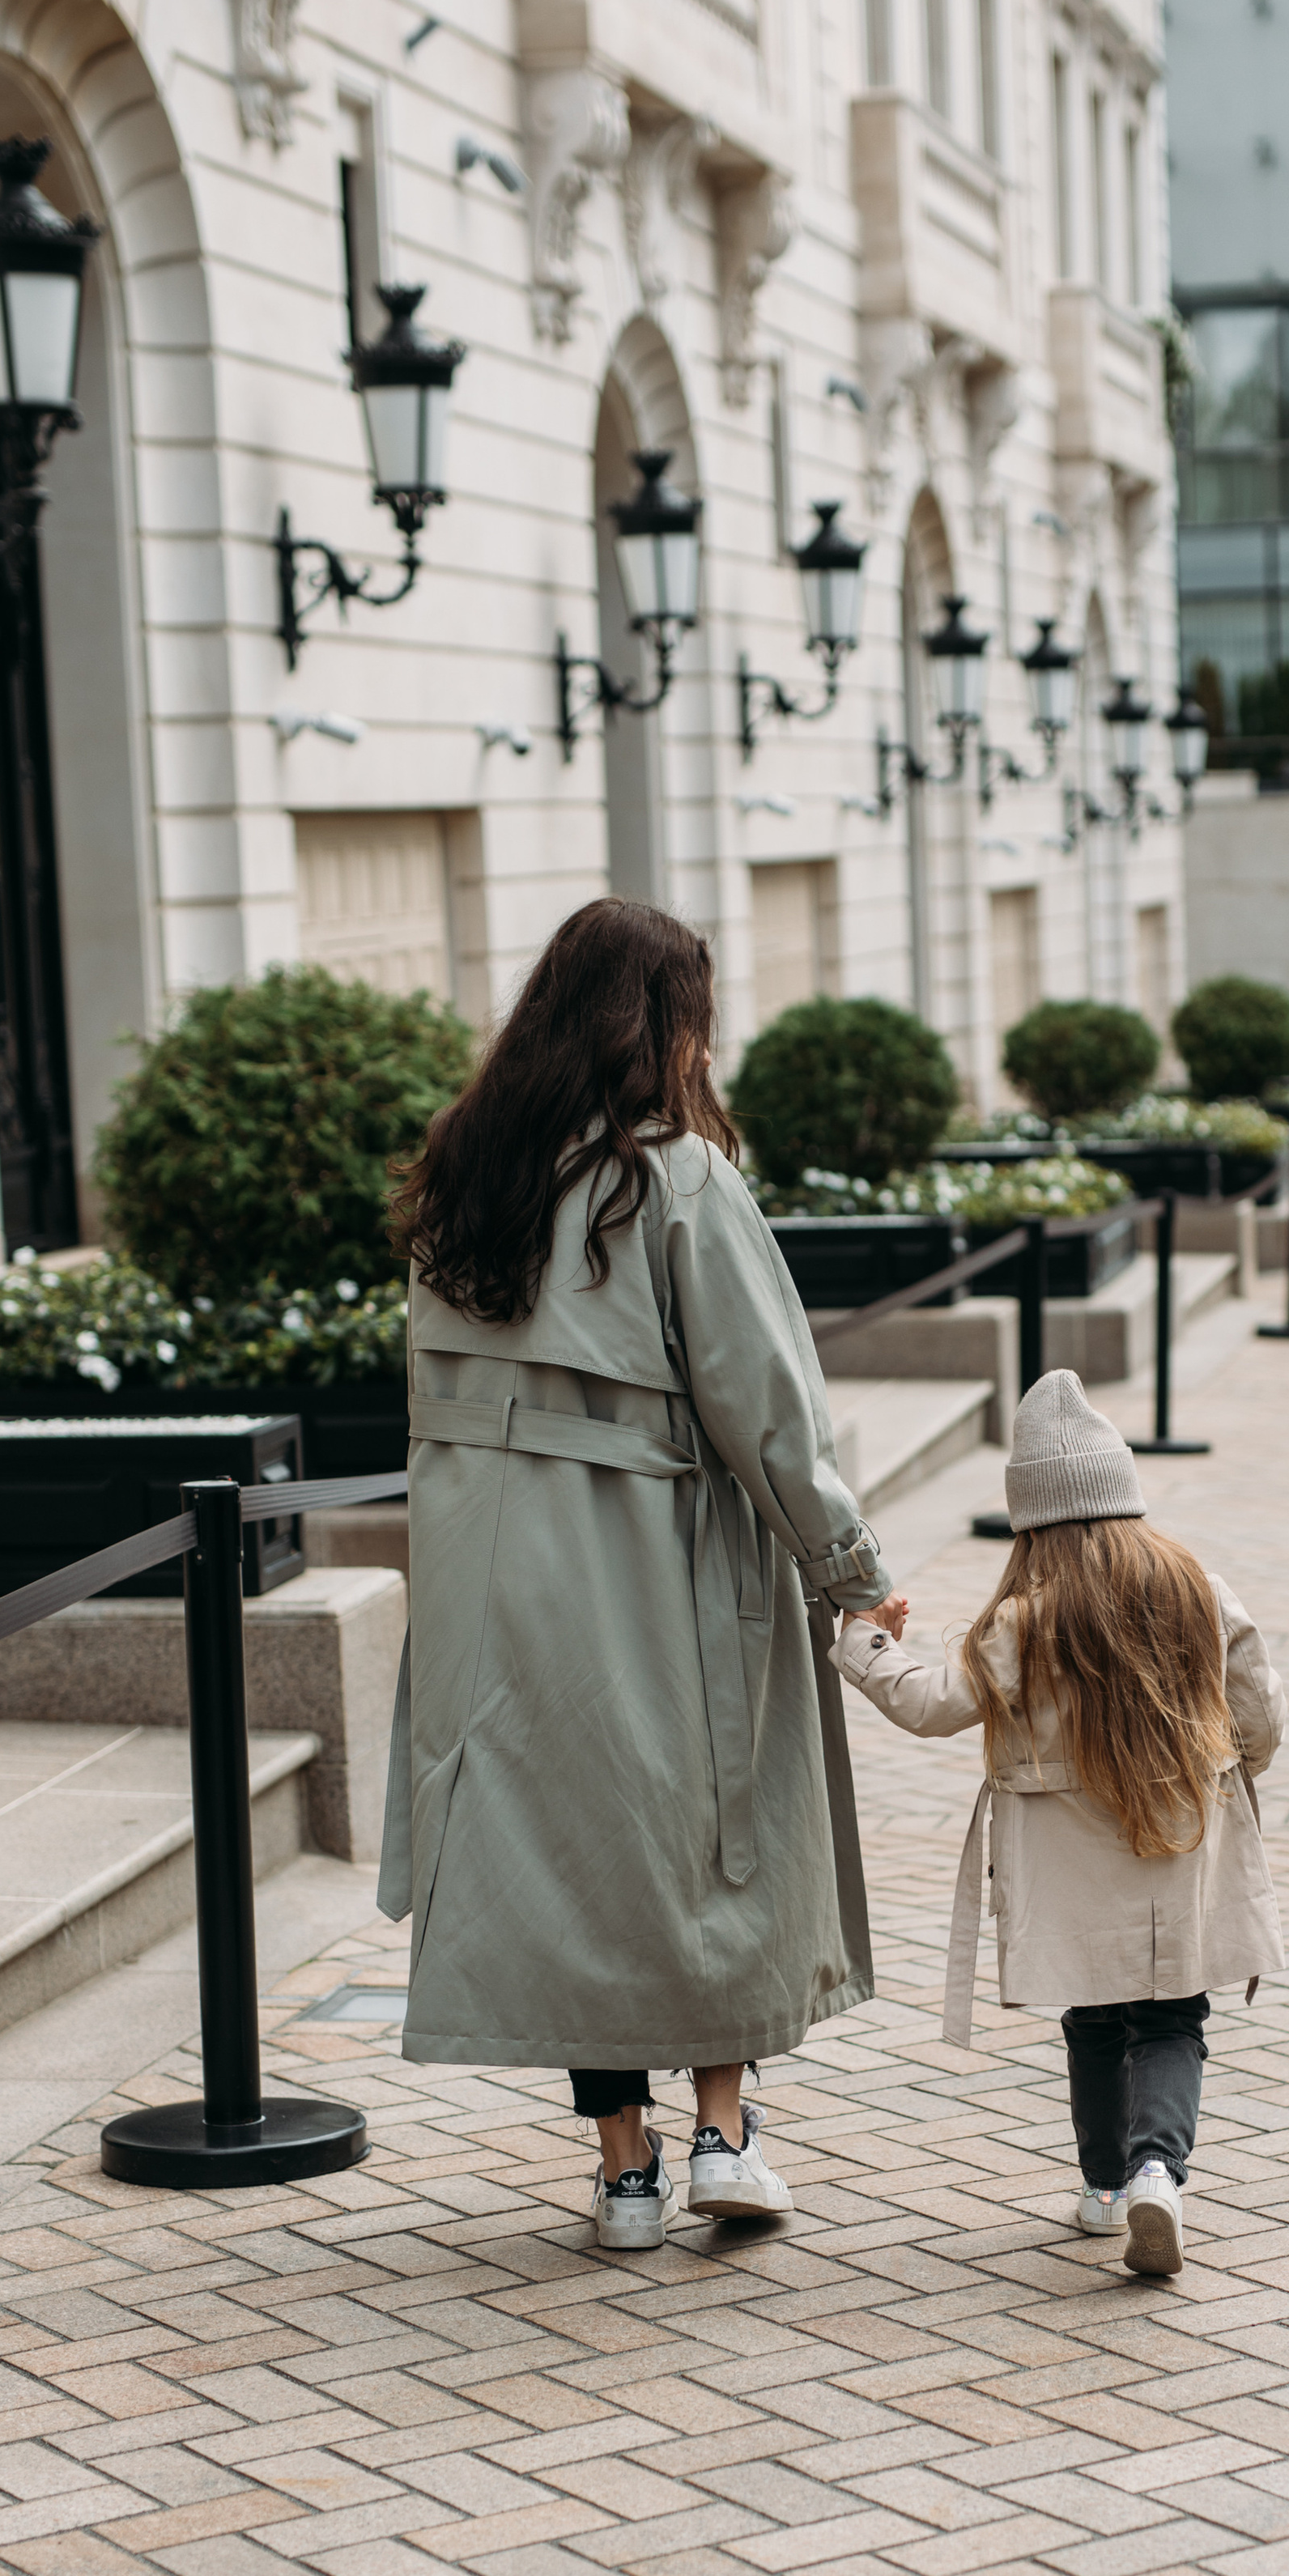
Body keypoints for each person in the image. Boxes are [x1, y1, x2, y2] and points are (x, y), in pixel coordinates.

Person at [381, 897, 891, 2250]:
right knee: (710, 1837)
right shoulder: (677, 1181)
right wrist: (848, 1570)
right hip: (660, 1565)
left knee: (568, 1858)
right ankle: (723, 2134)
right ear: (666, 1027)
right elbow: (765, 1408)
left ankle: (622, 2171)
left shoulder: (464, 1174)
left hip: (495, 1584)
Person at [832, 1371, 1285, 2280]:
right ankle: (1159, 2172)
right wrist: (1231, 1768)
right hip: (1178, 1833)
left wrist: (865, 1638)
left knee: (1095, 2014)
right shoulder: (1196, 1588)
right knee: (1173, 2016)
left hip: (1067, 1865)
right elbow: (1259, 1710)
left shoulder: (1023, 1620)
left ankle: (1107, 2187)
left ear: (1030, 1522)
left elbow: (930, 1705)